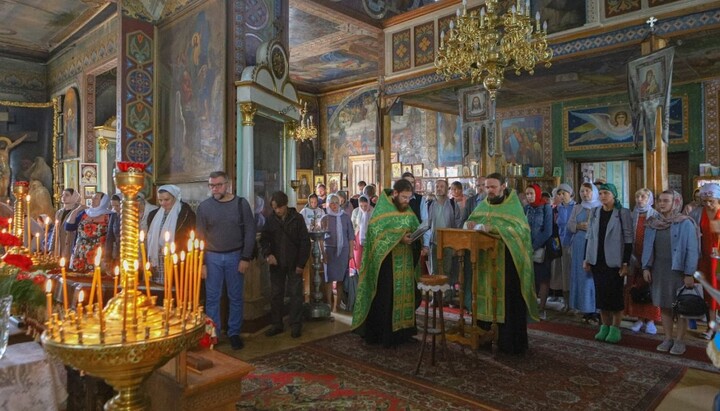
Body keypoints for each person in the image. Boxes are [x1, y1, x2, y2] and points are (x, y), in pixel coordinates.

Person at [465, 173, 539, 355]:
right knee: (484, 299)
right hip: (485, 266)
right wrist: (470, 223)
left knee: (508, 301)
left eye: (493, 187)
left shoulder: (513, 206)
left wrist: (494, 229)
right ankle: (483, 338)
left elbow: (521, 232)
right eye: (486, 187)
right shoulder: (484, 204)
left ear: (503, 186)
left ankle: (509, 342)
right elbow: (473, 221)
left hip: (507, 264)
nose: (489, 190)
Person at [352, 178, 420, 348]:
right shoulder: (382, 210)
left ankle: (404, 332)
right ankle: (385, 335)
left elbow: (414, 225)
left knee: (406, 295)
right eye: (404, 197)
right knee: (386, 298)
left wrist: (416, 237)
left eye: (409, 198)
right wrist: (399, 239)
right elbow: (376, 235)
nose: (406, 201)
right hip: (386, 265)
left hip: (405, 261)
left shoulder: (407, 209)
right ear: (395, 194)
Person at [196, 171, 256, 350]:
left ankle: (234, 333)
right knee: (212, 298)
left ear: (228, 184)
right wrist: (201, 263)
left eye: (218, 185)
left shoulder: (240, 204)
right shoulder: (204, 207)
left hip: (235, 256)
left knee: (235, 297)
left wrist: (246, 257)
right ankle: (213, 333)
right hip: (212, 256)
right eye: (211, 186)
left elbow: (250, 232)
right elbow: (199, 236)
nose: (214, 189)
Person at [642, 190, 699, 356]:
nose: (662, 204)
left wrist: (689, 273)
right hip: (659, 269)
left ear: (676, 202)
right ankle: (667, 338)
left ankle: (680, 340)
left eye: (666, 201)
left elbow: (692, 250)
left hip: (679, 271)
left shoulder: (685, 222)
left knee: (681, 306)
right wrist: (646, 267)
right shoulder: (653, 222)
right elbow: (647, 247)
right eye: (660, 200)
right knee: (665, 305)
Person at [583, 183, 633, 344]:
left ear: (614, 195)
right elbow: (589, 236)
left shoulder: (622, 212)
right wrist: (587, 258)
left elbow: (628, 239)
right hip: (598, 260)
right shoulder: (596, 211)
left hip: (614, 261)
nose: (603, 196)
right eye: (601, 193)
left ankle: (615, 328)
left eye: (606, 193)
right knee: (601, 296)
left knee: (615, 297)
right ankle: (604, 326)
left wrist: (625, 263)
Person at [260, 191, 311, 338]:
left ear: (285, 205)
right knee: (276, 294)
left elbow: (304, 242)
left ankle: (296, 324)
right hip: (277, 264)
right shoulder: (270, 220)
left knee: (295, 294)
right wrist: (268, 254)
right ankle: (277, 324)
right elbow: (264, 240)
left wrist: (301, 264)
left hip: (294, 263)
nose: (277, 211)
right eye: (274, 208)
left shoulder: (297, 219)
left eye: (279, 207)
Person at [626, 188, 661, 334]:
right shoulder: (631, 215)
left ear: (650, 199)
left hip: (652, 258)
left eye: (643, 196)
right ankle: (639, 318)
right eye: (637, 196)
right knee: (636, 287)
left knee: (650, 289)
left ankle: (651, 319)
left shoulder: (656, 216)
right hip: (635, 257)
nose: (640, 199)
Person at [146, 185, 196, 284]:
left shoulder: (185, 214)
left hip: (175, 255)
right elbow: (151, 237)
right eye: (160, 200)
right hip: (157, 255)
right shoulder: (154, 215)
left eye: (166, 199)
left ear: (175, 197)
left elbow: (189, 236)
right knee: (157, 286)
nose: (163, 203)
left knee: (174, 285)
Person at [422, 179, 462, 302]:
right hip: (434, 242)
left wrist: (456, 245)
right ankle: (436, 298)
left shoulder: (452, 204)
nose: (439, 188)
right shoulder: (429, 204)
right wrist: (426, 244)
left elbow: (457, 224)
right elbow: (426, 225)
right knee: (434, 271)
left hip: (449, 243)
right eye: (437, 186)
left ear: (446, 189)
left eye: (441, 186)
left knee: (448, 270)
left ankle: (448, 297)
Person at [689, 183, 720, 339]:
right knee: (709, 294)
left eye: (711, 201)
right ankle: (711, 327)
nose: (708, 204)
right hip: (705, 259)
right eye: (705, 200)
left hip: (718, 260)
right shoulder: (697, 213)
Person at [567, 182, 600, 323]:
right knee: (581, 276)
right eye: (582, 191)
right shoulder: (577, 207)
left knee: (593, 277)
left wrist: (592, 228)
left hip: (595, 244)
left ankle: (597, 309)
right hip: (579, 244)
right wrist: (579, 226)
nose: (584, 194)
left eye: (587, 191)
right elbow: (570, 225)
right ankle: (585, 308)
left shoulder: (599, 207)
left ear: (594, 192)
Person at [320, 193, 355, 311]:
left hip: (343, 251)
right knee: (329, 279)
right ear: (328, 204)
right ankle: (329, 303)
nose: (334, 205)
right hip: (329, 250)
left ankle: (339, 303)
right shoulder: (325, 218)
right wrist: (322, 253)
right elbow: (320, 238)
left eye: (336, 202)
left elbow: (350, 236)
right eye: (331, 203)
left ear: (339, 203)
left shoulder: (345, 217)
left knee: (340, 279)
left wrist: (351, 253)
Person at [524, 184, 553, 320]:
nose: (529, 196)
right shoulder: (526, 208)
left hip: (541, 249)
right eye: (527, 194)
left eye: (531, 193)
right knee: (530, 278)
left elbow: (547, 231)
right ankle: (530, 306)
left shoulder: (546, 208)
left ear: (537, 194)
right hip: (526, 247)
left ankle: (541, 308)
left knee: (542, 278)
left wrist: (533, 246)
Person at [65, 192, 112, 272]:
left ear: (103, 201)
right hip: (80, 252)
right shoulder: (85, 213)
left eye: (96, 198)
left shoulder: (109, 215)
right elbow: (69, 226)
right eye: (92, 198)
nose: (92, 200)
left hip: (99, 253)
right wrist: (77, 210)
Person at [554, 183, 576, 311]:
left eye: (564, 193)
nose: (561, 196)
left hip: (574, 242)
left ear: (570, 194)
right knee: (564, 273)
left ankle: (575, 302)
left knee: (574, 273)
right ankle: (566, 301)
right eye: (559, 194)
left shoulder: (577, 207)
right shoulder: (558, 208)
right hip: (562, 243)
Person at [50, 188, 84, 261]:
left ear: (74, 197)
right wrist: (51, 248)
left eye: (67, 195)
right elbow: (55, 231)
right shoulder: (59, 212)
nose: (63, 197)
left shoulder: (79, 211)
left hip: (71, 243)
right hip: (59, 245)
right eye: (63, 195)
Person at [0, 134, 27, 198]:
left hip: (6, 170)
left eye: (3, 143)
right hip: (0, 170)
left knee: (6, 184)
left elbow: (15, 143)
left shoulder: (6, 150)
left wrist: (23, 137)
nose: (2, 145)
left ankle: (5, 197)